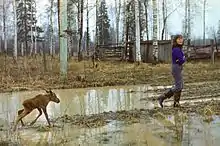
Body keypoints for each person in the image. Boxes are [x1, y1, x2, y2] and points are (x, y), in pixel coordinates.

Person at [158, 34, 186, 108]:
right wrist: (183, 59)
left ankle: (176, 103)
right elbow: (181, 60)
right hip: (176, 67)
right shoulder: (176, 49)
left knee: (180, 85)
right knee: (178, 86)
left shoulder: (178, 48)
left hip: (178, 67)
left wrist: (182, 59)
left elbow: (181, 59)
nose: (180, 40)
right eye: (178, 39)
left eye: (181, 39)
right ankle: (163, 97)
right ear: (175, 40)